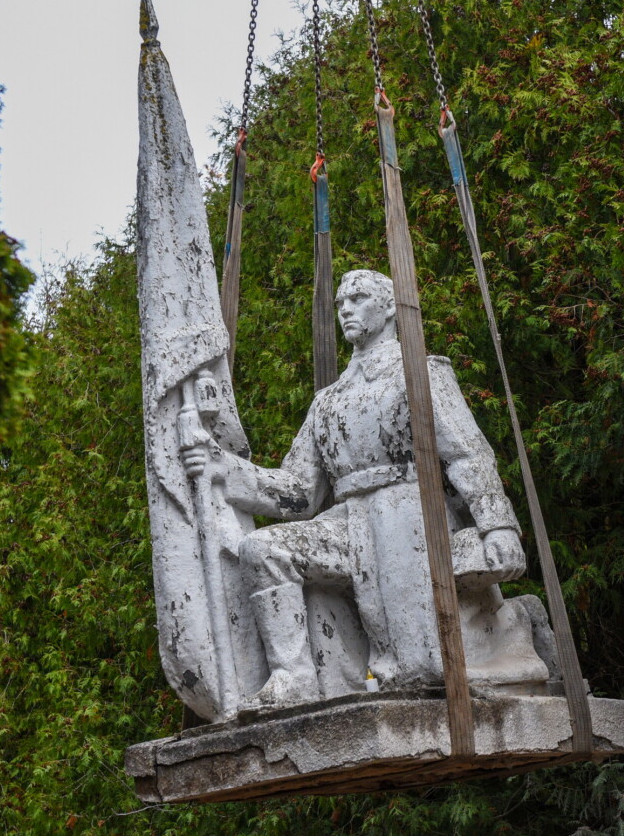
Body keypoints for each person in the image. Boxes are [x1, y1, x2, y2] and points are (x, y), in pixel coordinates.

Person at [181, 269, 525, 709]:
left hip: (410, 515)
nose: (345, 308)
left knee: (424, 665)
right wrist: (222, 466)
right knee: (264, 549)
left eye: (358, 298)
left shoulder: (420, 373)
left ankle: (507, 633)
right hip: (350, 521)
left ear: (387, 308)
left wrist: (498, 526)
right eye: (341, 301)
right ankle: (295, 677)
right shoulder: (329, 400)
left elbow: (467, 453)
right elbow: (299, 492)